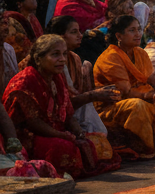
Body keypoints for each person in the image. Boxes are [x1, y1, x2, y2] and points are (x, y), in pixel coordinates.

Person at [2, 33, 120, 178]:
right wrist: (62, 135)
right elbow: (33, 123)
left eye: (64, 54)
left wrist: (78, 133)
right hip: (29, 137)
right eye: (55, 54)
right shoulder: (24, 82)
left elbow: (68, 112)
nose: (62, 59)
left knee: (98, 143)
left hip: (57, 131)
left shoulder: (56, 77)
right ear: (39, 58)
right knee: (62, 147)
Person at [92, 13, 155, 155]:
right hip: (112, 106)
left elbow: (150, 78)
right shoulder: (111, 57)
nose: (138, 34)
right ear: (119, 36)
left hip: (140, 96)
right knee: (137, 105)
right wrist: (150, 95)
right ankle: (143, 147)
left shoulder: (140, 53)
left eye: (139, 29)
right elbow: (125, 92)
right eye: (132, 30)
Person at [47, 13, 118, 137]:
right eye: (74, 32)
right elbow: (59, 103)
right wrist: (93, 95)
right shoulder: (48, 62)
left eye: (79, 31)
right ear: (60, 37)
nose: (80, 36)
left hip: (73, 112)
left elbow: (76, 97)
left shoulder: (74, 59)